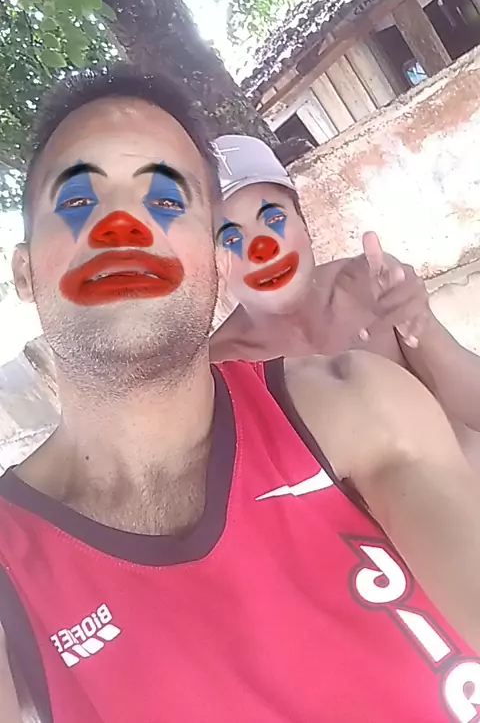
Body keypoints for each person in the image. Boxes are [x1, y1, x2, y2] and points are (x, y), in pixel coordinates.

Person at [1, 65, 480, 723]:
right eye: (79, 202)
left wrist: (423, 332)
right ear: (25, 271)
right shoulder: (12, 566)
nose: (122, 228)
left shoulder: (358, 404)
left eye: (166, 202)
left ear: (216, 262)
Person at [210, 134, 480, 453]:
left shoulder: (368, 284)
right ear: (213, 264)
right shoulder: (217, 373)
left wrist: (424, 326)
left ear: (304, 224)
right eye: (230, 238)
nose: (262, 250)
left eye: (274, 218)